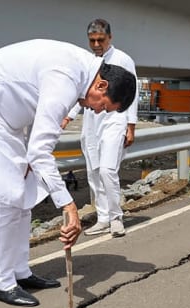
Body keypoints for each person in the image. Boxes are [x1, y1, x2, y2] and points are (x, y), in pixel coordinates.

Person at [0, 39, 136, 307]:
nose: (97, 111)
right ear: (101, 85)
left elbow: (40, 132)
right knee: (7, 197)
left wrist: (34, 161)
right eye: (104, 105)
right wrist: (69, 206)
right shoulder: (66, 80)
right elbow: (40, 151)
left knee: (24, 193)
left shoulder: (80, 72)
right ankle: (1, 282)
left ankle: (20, 271)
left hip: (7, 113)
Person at [61, 19, 138, 238]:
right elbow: (80, 92)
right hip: (92, 121)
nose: (96, 44)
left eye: (100, 40)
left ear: (109, 38)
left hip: (115, 119)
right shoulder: (87, 62)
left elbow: (131, 95)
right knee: (93, 172)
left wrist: (130, 126)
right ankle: (102, 218)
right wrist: (68, 116)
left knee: (107, 171)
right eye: (92, 40)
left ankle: (116, 218)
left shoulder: (123, 60)